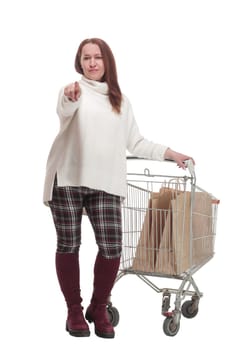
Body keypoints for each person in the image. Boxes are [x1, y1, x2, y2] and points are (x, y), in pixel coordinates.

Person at [43, 37, 194, 339]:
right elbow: (65, 108)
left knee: (112, 249)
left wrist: (171, 152)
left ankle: (99, 307)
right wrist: (71, 97)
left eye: (97, 57)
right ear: (80, 63)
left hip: (106, 183)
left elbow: (136, 143)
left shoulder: (121, 101)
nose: (92, 63)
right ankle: (74, 309)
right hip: (68, 179)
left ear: (107, 61)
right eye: (86, 58)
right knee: (68, 245)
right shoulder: (71, 91)